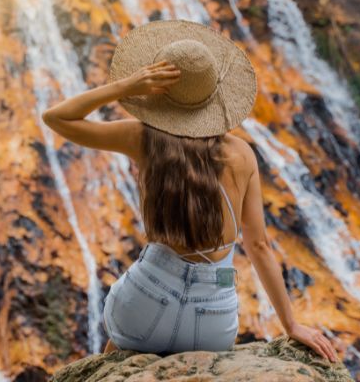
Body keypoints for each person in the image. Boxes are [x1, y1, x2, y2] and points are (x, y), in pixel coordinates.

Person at [41, 19, 338, 362]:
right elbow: (258, 245)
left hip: (143, 304)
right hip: (212, 321)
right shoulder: (241, 154)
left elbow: (56, 117)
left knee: (115, 356)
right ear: (214, 96)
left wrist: (125, 87)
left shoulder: (141, 138)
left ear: (157, 93)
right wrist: (292, 325)